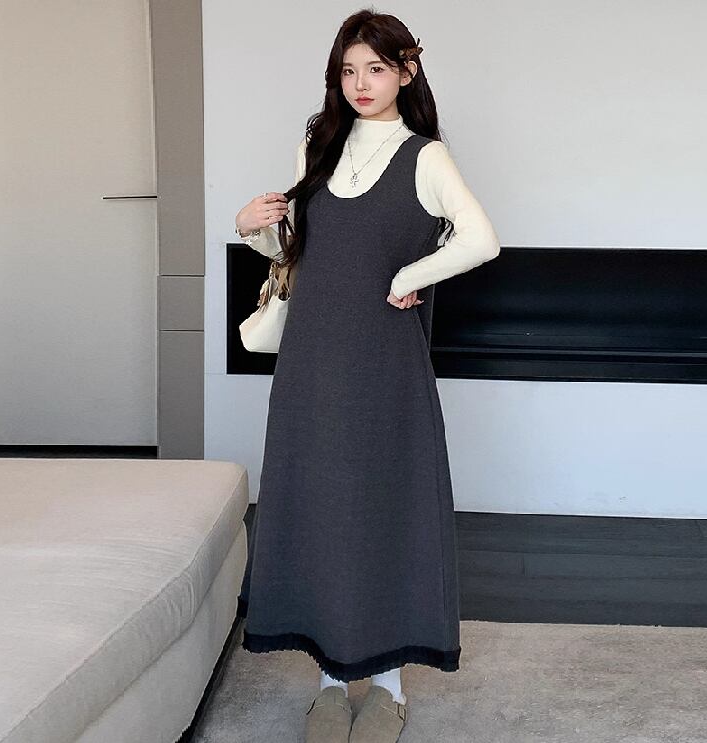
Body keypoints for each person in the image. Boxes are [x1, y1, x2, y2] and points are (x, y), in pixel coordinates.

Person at [233, 9, 500, 743]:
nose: (360, 83)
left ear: (405, 72)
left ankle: (387, 687)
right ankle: (328, 683)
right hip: (311, 361)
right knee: (317, 507)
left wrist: (408, 276)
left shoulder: (425, 157)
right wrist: (252, 225)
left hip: (383, 364)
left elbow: (481, 239)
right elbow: (294, 251)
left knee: (385, 508)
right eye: (348, 70)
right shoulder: (316, 145)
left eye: (375, 69)